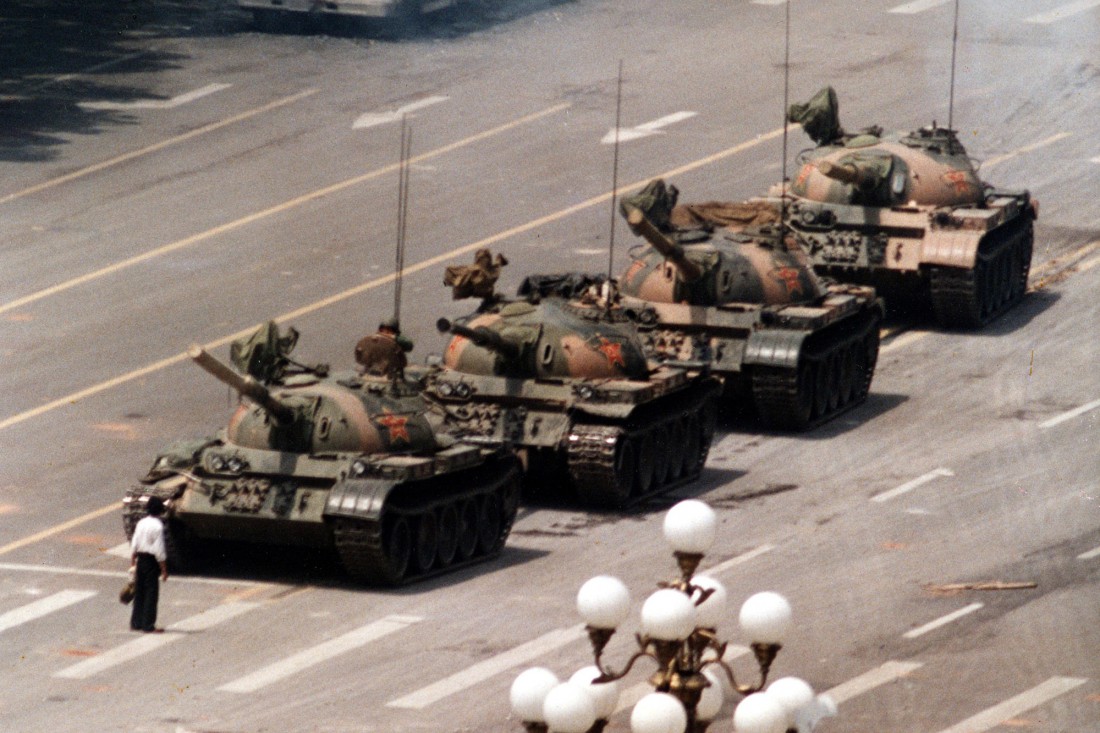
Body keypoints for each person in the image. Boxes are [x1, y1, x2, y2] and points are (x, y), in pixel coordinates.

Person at [129, 496, 168, 633]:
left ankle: (136, 622)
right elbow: (160, 550)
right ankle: (148, 625)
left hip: (140, 559)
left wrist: (133, 562)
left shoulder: (141, 523)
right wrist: (164, 570)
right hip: (151, 562)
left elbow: (134, 542)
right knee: (151, 593)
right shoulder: (158, 526)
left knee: (139, 592)